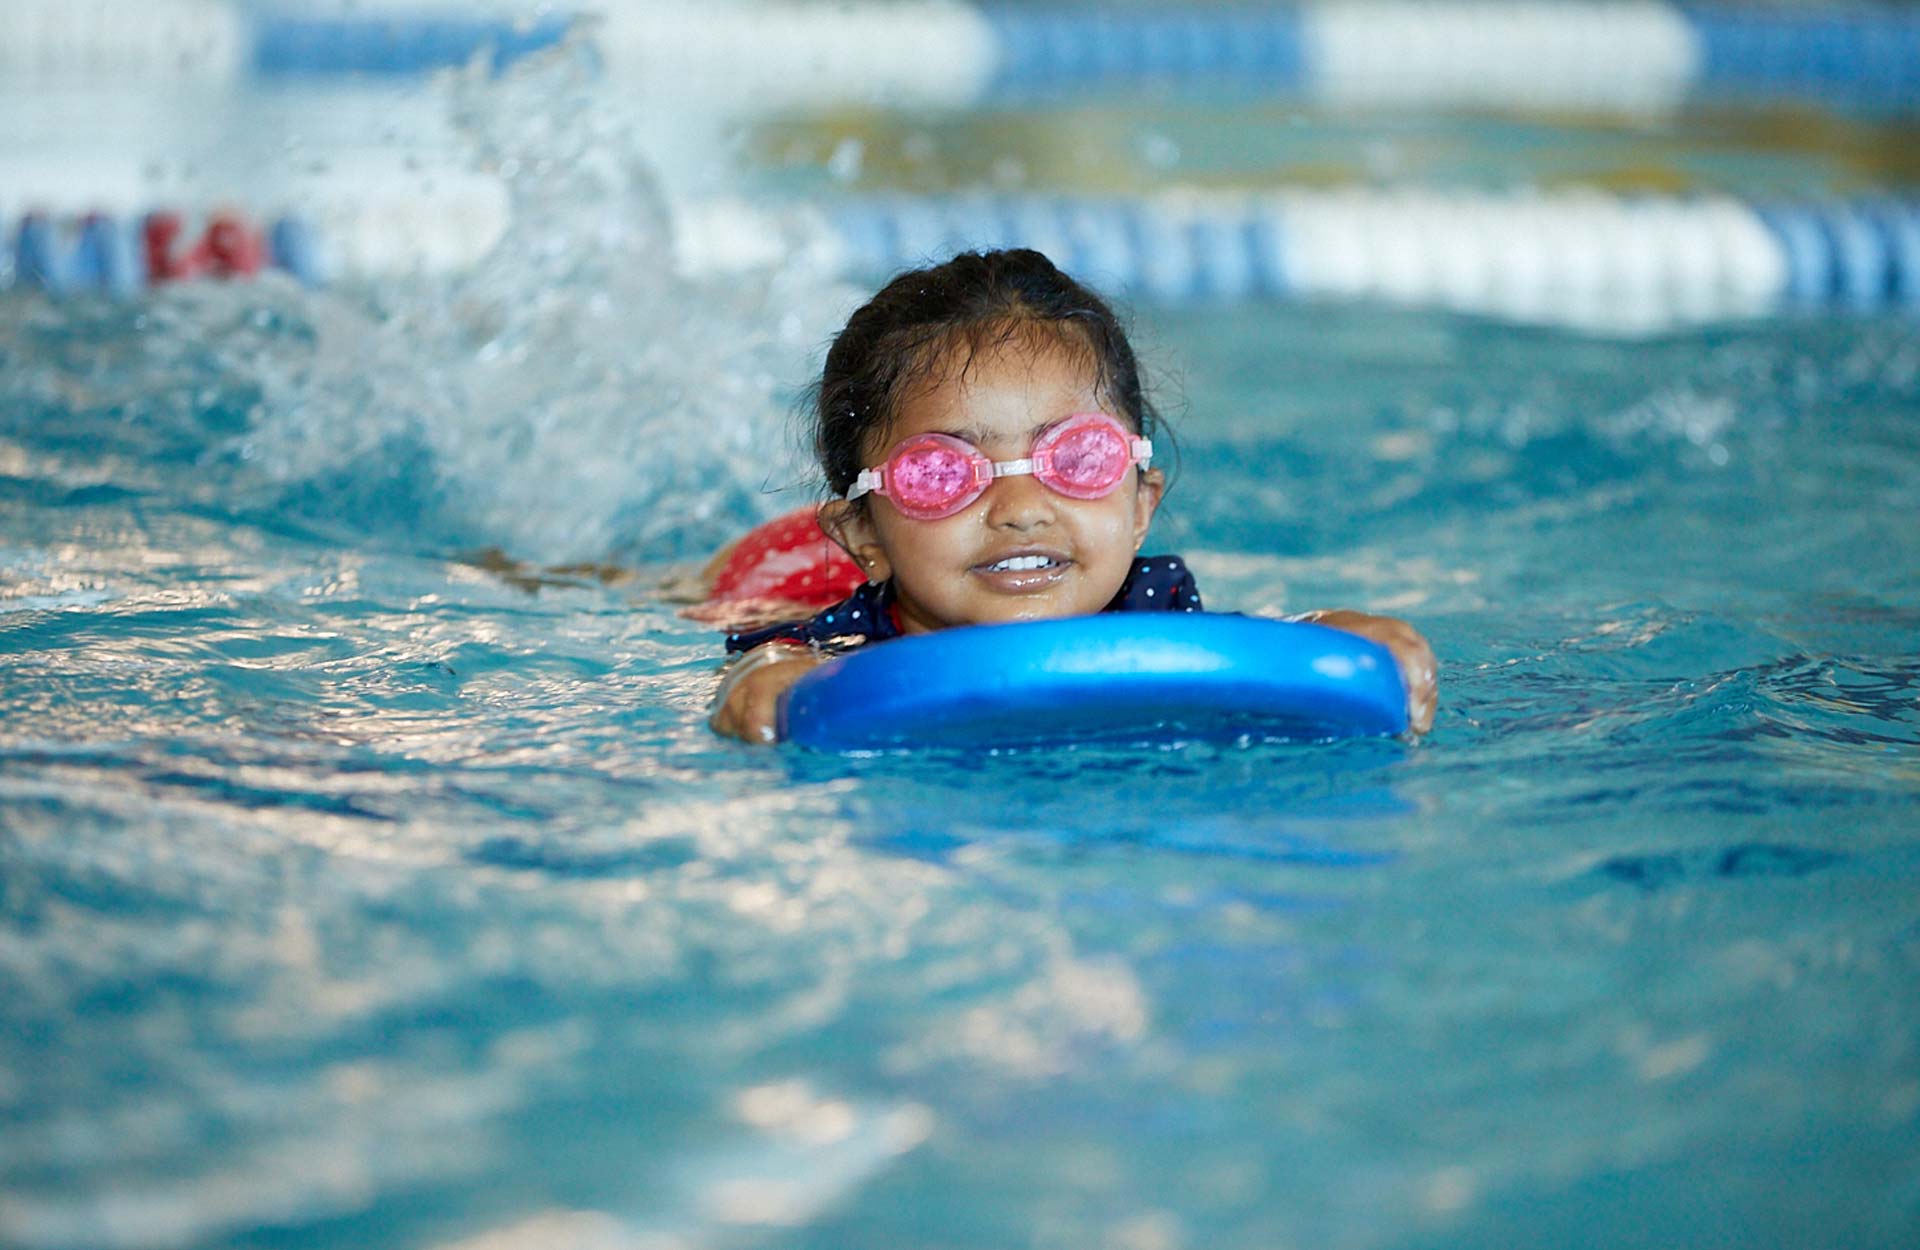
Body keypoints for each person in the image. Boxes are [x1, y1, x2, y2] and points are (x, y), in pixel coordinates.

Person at [708, 248, 1437, 743]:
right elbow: (756, 675)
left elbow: (1264, 649)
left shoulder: (1155, 616)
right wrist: (767, 681)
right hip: (777, 576)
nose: (1022, 508)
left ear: (1141, 504)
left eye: (1078, 458)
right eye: (941, 473)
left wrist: (1339, 635)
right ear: (863, 534)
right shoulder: (834, 653)